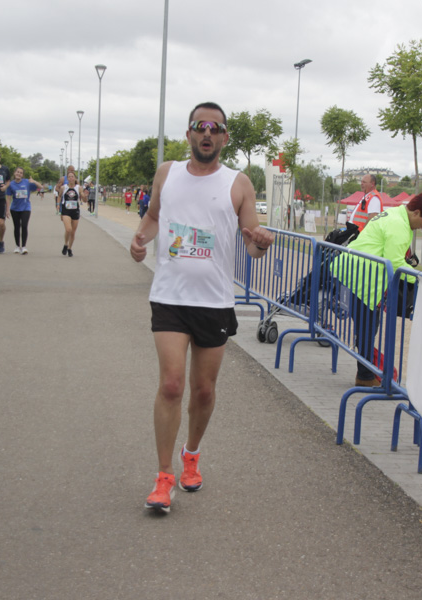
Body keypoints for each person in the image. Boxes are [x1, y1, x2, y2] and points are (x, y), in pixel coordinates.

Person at [129, 102, 274, 514]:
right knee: (172, 384)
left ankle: (191, 454)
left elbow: (251, 244)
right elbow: (154, 216)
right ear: (189, 134)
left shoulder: (239, 183)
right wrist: (139, 240)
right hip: (170, 296)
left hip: (214, 300)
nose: (207, 133)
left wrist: (259, 244)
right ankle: (163, 477)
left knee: (204, 391)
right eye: (199, 127)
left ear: (225, 137)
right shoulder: (167, 173)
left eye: (215, 128)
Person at [334, 192, 422, 387]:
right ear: (416, 212)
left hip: (355, 272)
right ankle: (365, 376)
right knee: (367, 328)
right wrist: (421, 279)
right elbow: (395, 262)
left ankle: (366, 373)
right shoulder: (399, 225)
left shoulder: (393, 215)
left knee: (365, 329)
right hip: (363, 278)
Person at [6, 167, 40, 254]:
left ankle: (24, 246)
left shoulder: (27, 182)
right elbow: (8, 198)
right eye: (17, 172)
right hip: (15, 208)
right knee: (16, 227)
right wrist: (7, 210)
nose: (19, 174)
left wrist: (34, 182)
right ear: (14, 173)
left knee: (24, 226)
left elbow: (40, 187)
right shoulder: (11, 184)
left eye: (21, 173)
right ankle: (17, 246)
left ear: (22, 175)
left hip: (26, 208)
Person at [56, 170, 83, 256]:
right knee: (68, 229)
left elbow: (84, 198)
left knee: (73, 232)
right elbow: (59, 196)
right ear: (67, 179)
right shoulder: (64, 187)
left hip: (75, 211)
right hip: (66, 210)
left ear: (75, 178)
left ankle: (69, 248)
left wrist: (85, 196)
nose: (71, 178)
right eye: (69, 177)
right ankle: (65, 244)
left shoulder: (78, 188)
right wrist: (58, 204)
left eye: (72, 176)